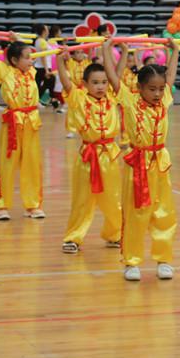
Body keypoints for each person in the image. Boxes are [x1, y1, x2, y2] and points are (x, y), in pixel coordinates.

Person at [102, 38, 180, 281]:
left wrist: (174, 50)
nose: (157, 93)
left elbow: (171, 76)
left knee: (163, 212)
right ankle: (131, 261)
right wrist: (108, 50)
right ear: (140, 88)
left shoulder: (165, 100)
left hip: (160, 162)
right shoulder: (129, 100)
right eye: (152, 89)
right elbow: (113, 77)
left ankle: (163, 259)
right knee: (136, 213)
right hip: (138, 163)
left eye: (160, 89)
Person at [58, 47, 123, 255]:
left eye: (103, 82)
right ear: (85, 84)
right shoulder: (78, 98)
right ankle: (73, 237)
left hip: (110, 155)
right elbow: (66, 82)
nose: (101, 86)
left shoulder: (112, 97)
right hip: (88, 156)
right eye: (95, 83)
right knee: (82, 200)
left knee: (112, 198)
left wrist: (123, 50)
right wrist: (61, 60)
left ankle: (115, 234)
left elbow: (117, 76)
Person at [0, 30, 44, 221]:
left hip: (31, 123)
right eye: (27, 58)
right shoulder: (5, 71)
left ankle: (32, 206)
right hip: (13, 124)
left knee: (31, 165)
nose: (31, 61)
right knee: (8, 165)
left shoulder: (31, 72)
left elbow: (22, 51)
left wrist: (17, 39)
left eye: (31, 57)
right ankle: (2, 206)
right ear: (15, 61)